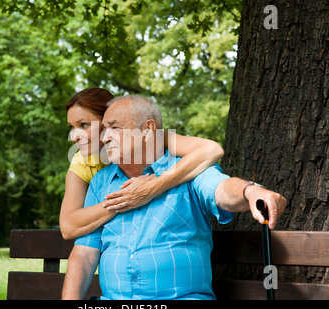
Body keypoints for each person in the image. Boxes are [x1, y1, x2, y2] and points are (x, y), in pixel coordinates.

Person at [62, 95, 286, 300]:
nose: (105, 138)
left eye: (114, 128)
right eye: (103, 129)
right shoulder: (100, 181)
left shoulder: (187, 170)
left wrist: (251, 191)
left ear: (148, 130)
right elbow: (83, 255)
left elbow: (222, 190)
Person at [60, 88, 225, 240]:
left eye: (84, 125)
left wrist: (153, 186)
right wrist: (125, 200)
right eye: (71, 127)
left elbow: (211, 149)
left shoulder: (152, 137)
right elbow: (68, 227)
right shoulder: (83, 162)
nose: (74, 136)